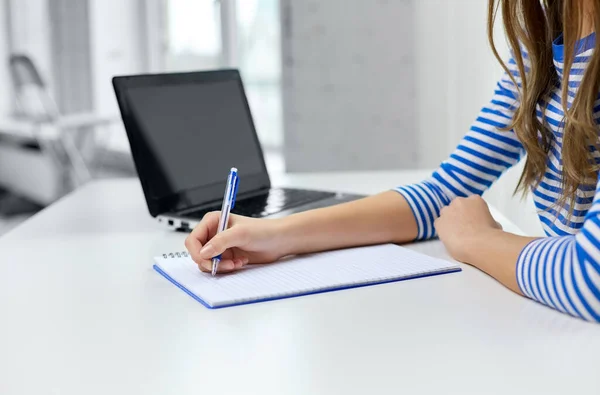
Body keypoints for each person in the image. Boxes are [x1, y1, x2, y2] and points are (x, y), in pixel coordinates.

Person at [186, 0, 600, 322]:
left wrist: (479, 239)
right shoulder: (541, 48)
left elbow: (591, 279)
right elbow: (443, 193)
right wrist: (276, 237)